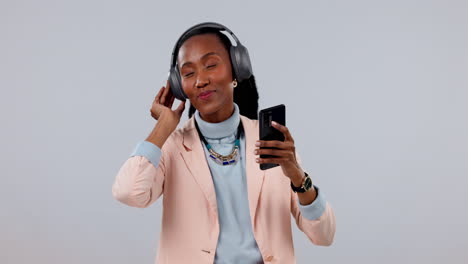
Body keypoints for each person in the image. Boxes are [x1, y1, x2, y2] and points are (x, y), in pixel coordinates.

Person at [112, 22, 336, 264]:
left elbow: (323, 235)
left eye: (210, 65)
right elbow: (129, 194)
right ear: (179, 86)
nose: (200, 80)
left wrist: (297, 177)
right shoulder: (169, 148)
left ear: (236, 70)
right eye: (188, 73)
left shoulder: (271, 141)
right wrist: (164, 126)